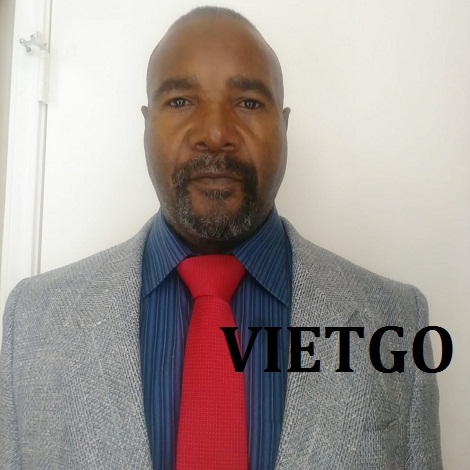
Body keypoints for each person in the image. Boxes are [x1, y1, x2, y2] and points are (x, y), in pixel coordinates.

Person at [0, 6, 442, 470]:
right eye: (180, 101)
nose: (215, 134)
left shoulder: (395, 322)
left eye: (248, 103)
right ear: (146, 124)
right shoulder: (34, 320)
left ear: (284, 126)